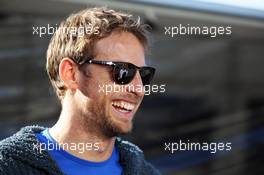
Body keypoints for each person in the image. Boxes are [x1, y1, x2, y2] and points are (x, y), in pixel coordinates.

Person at [0, 7, 161, 175]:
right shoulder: (7, 167)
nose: (138, 89)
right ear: (71, 74)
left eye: (144, 74)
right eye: (123, 71)